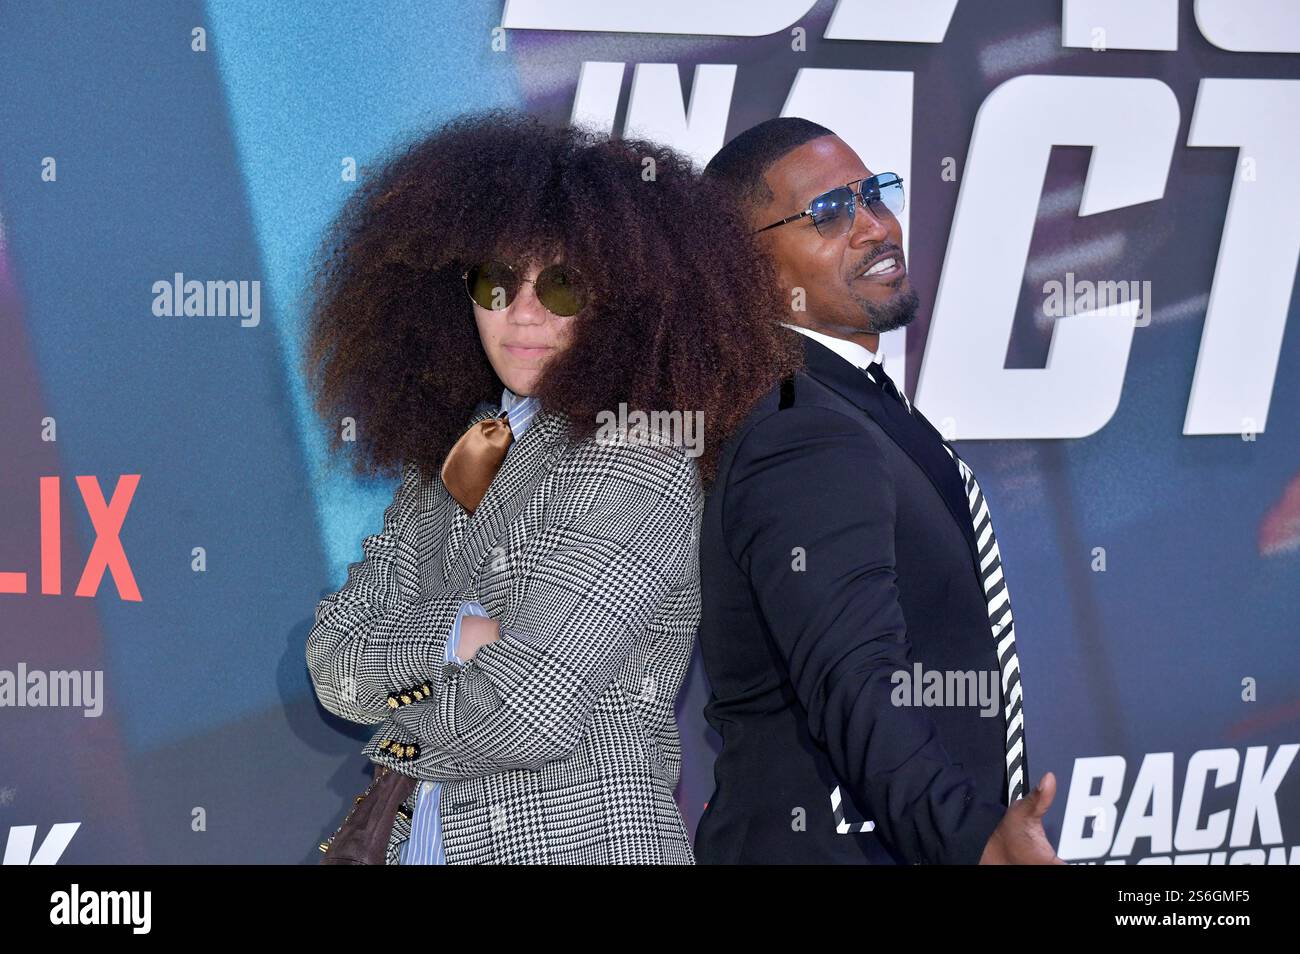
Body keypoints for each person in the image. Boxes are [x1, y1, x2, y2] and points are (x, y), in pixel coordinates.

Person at [301, 111, 801, 864]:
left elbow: (527, 709)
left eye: (563, 286)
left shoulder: (638, 450)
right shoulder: (459, 448)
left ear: (623, 300)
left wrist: (398, 726)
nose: (524, 312)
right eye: (497, 282)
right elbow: (331, 661)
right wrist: (455, 632)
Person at [694, 117, 1062, 864]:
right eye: (828, 213)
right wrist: (974, 842)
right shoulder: (803, 429)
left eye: (874, 193)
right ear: (743, 268)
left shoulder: (848, 403)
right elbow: (855, 678)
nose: (873, 226)